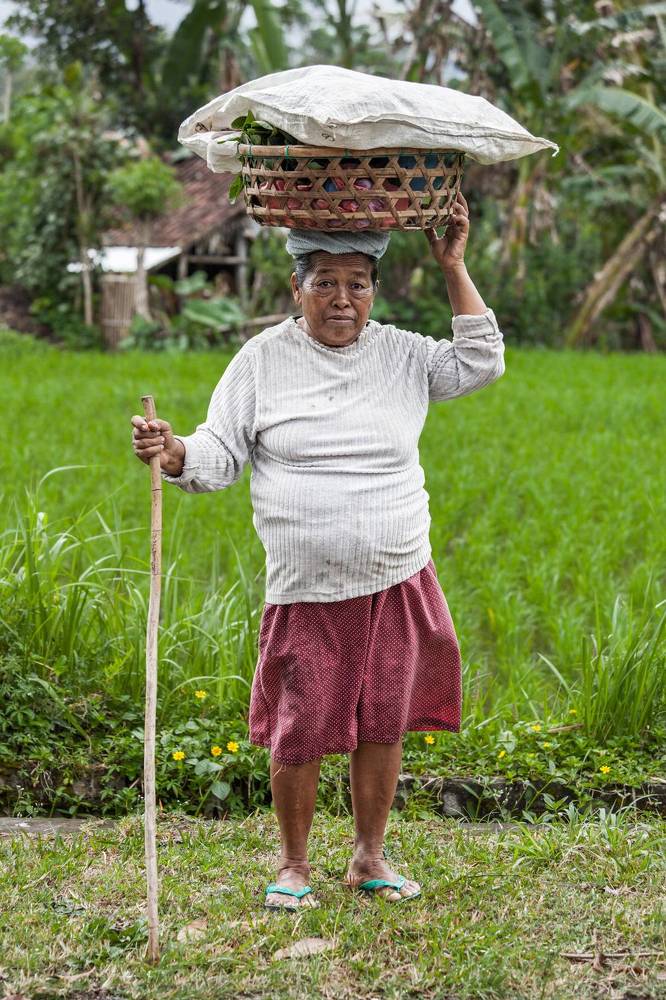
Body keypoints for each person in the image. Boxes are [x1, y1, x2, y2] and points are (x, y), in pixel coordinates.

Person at [131, 189, 505, 908]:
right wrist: (173, 452)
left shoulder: (401, 353)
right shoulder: (262, 360)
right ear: (295, 287)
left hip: (397, 571)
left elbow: (481, 360)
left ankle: (369, 858)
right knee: (300, 725)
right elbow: (218, 452)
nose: (342, 299)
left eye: (357, 284)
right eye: (325, 282)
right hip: (307, 585)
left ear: (374, 292)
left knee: (384, 719)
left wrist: (452, 265)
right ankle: (294, 865)